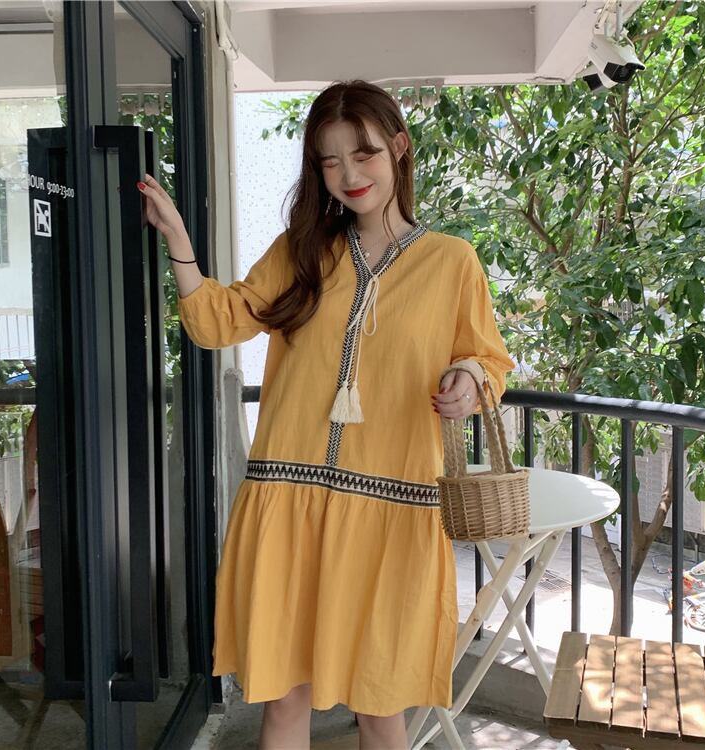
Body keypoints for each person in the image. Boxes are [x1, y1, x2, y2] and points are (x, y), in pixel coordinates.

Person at [138, 79, 515, 750]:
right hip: (291, 506)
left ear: (398, 148)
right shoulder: (302, 251)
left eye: (363, 154)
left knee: (380, 707)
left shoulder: (451, 262)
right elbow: (220, 321)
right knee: (285, 701)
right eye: (329, 160)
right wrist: (179, 242)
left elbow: (488, 360)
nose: (348, 174)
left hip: (392, 513)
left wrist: (469, 378)